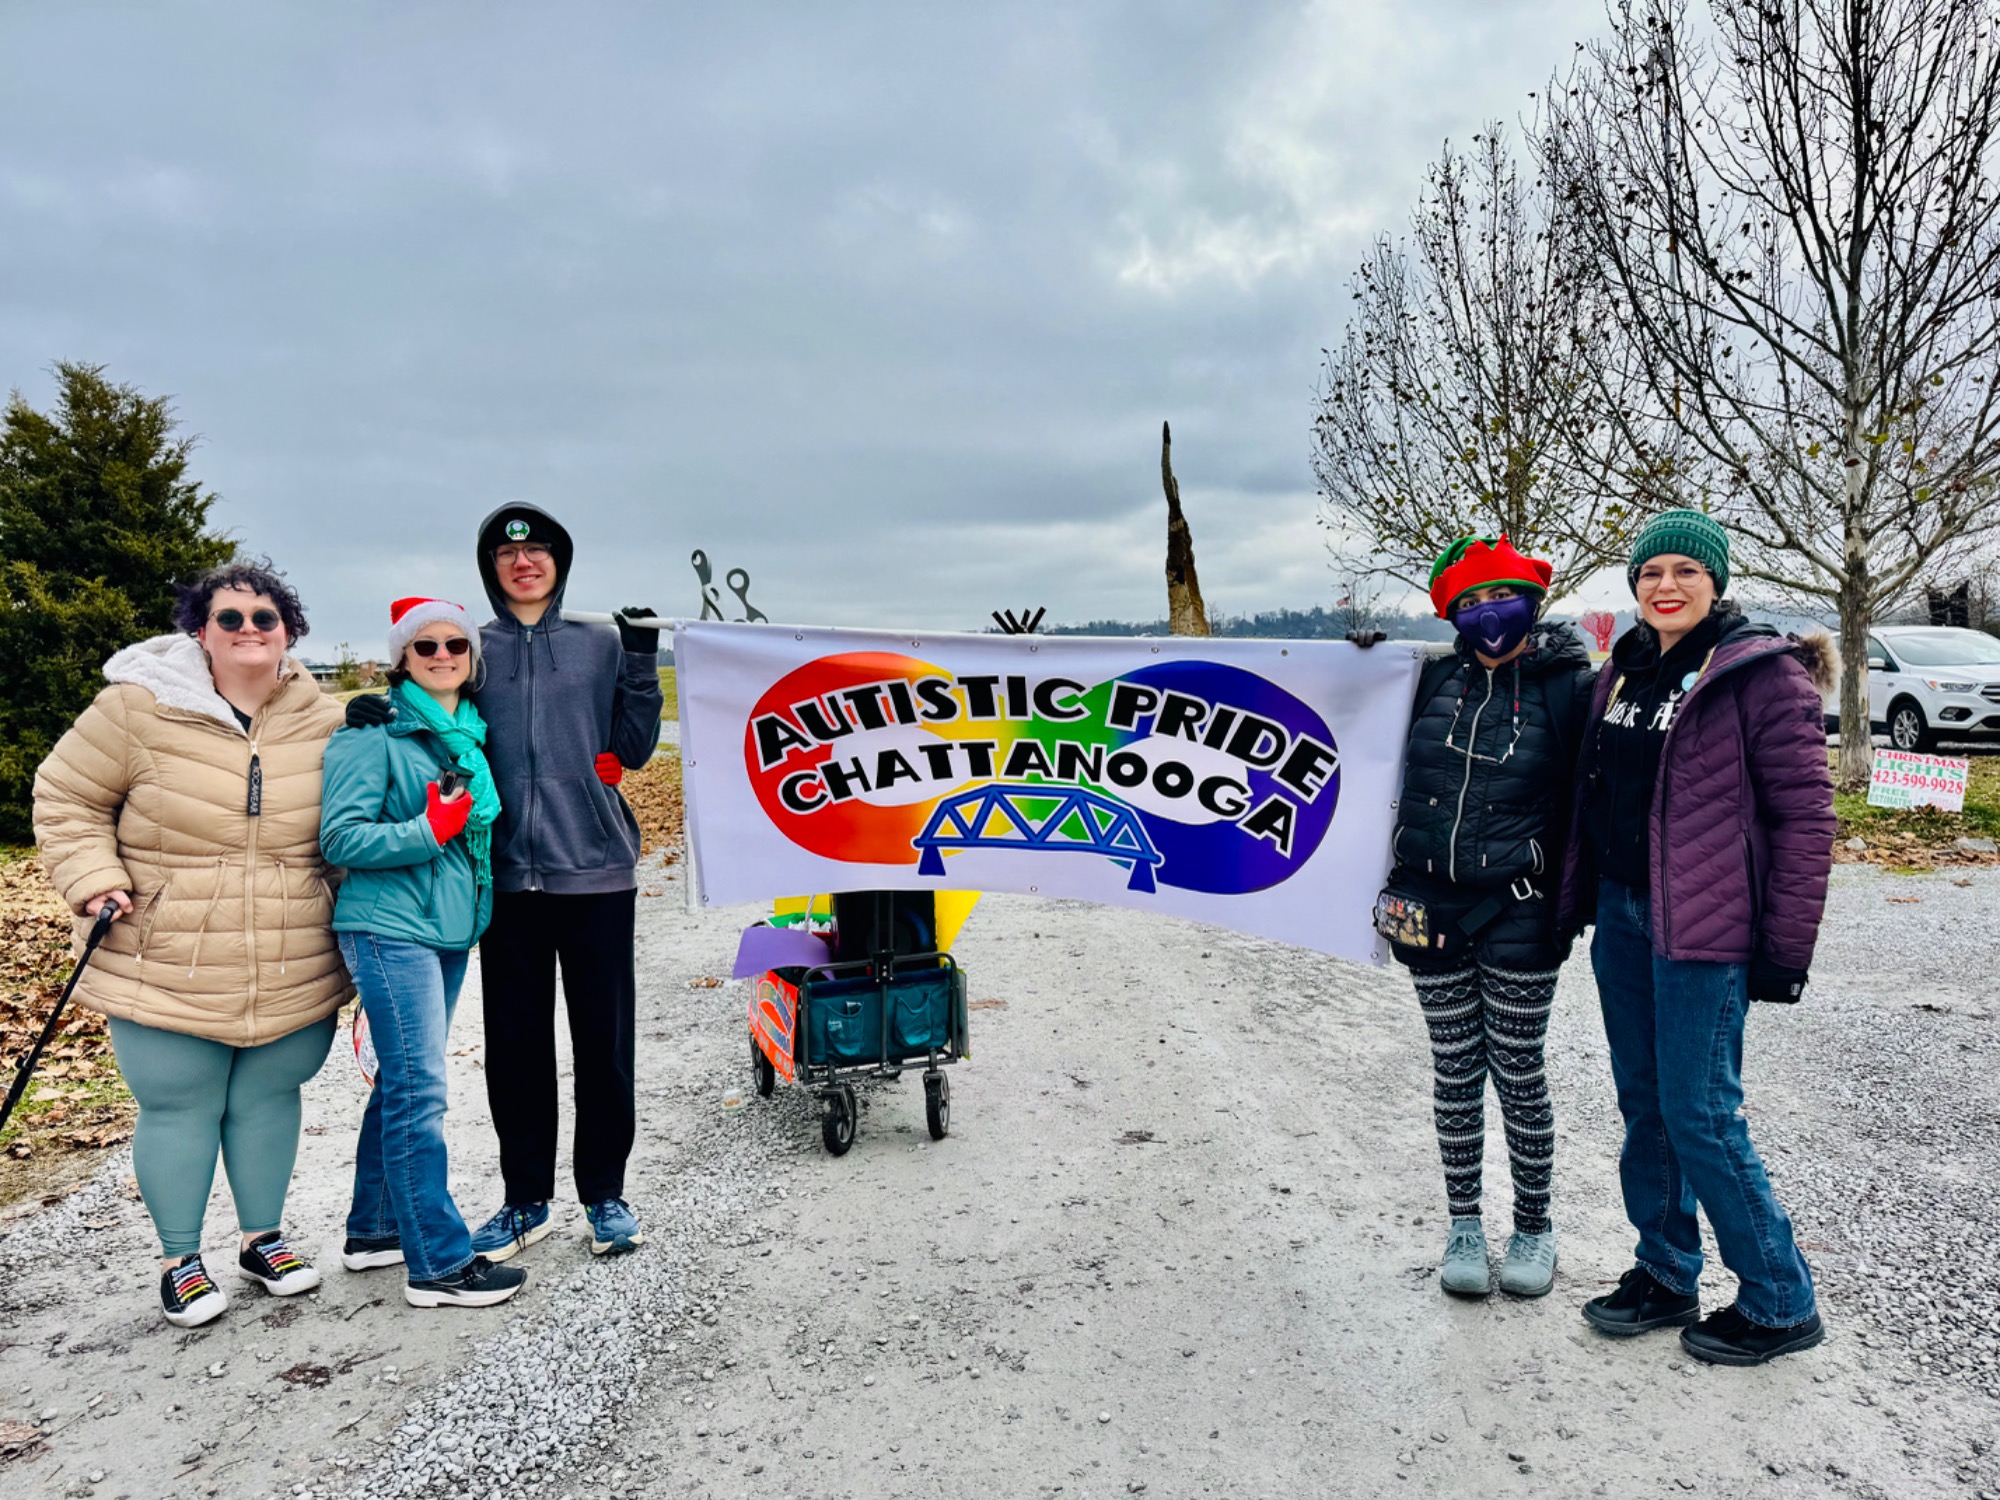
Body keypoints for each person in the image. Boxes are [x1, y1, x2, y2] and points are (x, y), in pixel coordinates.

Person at [33, 562, 347, 1327]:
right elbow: (67, 796)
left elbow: (354, 823)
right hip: (165, 952)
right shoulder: (135, 708)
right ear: (200, 631)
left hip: (293, 953)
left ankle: (262, 1240)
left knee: (270, 1097)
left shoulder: (327, 721)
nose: (248, 630)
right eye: (229, 618)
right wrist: (94, 879)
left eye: (264, 618)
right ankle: (181, 1261)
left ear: (289, 633)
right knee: (179, 1104)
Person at [1557, 509, 1836, 1365]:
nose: (1666, 585)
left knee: (1701, 1113)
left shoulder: (1762, 676)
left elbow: (1805, 822)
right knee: (1644, 1104)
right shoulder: (1624, 672)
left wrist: (1784, 950)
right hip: (1623, 916)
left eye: (1685, 570)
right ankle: (1666, 1271)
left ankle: (1781, 1301)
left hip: (1705, 931)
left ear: (1716, 583)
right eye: (1650, 573)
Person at [350, 504, 661, 1257]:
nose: (524, 562)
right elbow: (432, 705)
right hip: (504, 877)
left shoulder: (599, 642)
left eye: (539, 549)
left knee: (603, 1043)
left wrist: (642, 659)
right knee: (516, 1047)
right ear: (491, 568)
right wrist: (377, 713)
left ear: (560, 560)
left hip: (596, 871)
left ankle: (605, 1195)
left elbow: (634, 748)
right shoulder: (473, 647)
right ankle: (526, 1200)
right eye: (507, 553)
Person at [1374, 535, 1591, 1299]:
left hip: (1521, 911)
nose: (1488, 613)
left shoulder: (1571, 687)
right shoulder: (1425, 679)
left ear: (1531, 600)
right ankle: (1463, 1224)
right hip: (1427, 905)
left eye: (1501, 596)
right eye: (1469, 602)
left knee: (1519, 1071)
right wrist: (1359, 667)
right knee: (1456, 1070)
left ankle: (1534, 1225)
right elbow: (1348, 730)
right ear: (1450, 614)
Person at [321, 598, 526, 1308]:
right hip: (388, 928)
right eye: (425, 646)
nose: (442, 656)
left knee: (400, 1085)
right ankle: (438, 1264)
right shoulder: (373, 733)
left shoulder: (468, 732)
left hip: (443, 928)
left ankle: (375, 1230)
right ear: (402, 659)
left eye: (455, 645)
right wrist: (427, 830)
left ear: (472, 659)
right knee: (420, 1092)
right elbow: (340, 838)